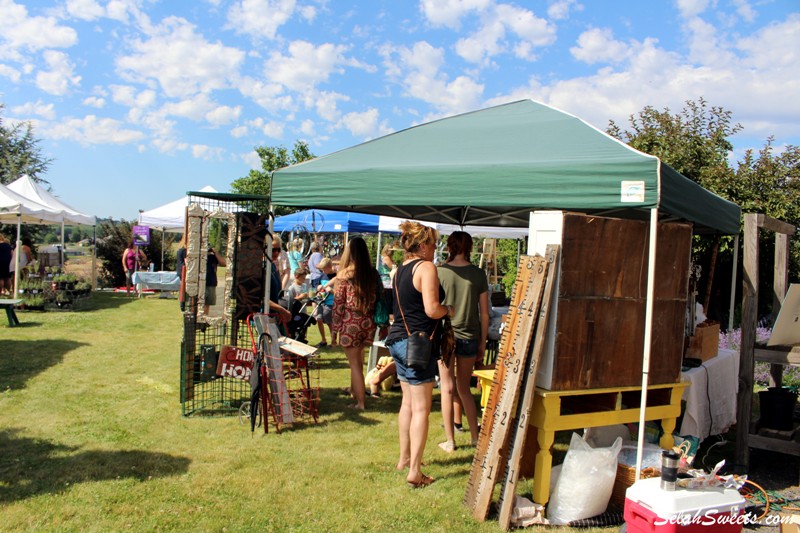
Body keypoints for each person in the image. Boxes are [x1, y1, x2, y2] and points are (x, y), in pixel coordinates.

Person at [385, 221, 453, 488]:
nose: (436, 248)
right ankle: (414, 471)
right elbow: (432, 309)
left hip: (397, 339)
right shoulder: (426, 267)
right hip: (418, 344)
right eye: (434, 243)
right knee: (422, 409)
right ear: (423, 244)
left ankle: (404, 458)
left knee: (407, 405)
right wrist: (450, 309)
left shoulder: (400, 269)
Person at [436, 231, 489, 452]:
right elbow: (484, 313)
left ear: (449, 246)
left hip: (445, 335)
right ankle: (475, 437)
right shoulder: (478, 274)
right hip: (470, 335)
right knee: (464, 388)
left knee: (447, 389)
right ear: (469, 247)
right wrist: (483, 342)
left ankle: (450, 441)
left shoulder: (439, 272)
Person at [329, 236, 381, 411]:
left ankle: (360, 402)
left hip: (351, 321)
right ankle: (355, 391)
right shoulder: (372, 273)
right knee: (359, 361)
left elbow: (338, 304)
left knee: (355, 365)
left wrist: (334, 330)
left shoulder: (344, 275)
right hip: (368, 322)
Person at [267, 238, 293, 325]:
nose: (276, 253)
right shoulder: (263, 268)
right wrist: (282, 310)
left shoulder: (273, 266)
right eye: (273, 250)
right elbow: (262, 299)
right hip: (265, 315)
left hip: (274, 315)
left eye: (279, 250)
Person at [313, 257, 337, 348]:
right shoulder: (322, 276)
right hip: (321, 301)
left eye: (324, 269)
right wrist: (318, 287)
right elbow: (318, 287)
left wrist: (331, 290)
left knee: (329, 322)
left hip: (331, 303)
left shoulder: (336, 276)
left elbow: (339, 292)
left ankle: (334, 341)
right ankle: (323, 340)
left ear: (329, 267)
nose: (322, 271)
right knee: (318, 319)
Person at [203, 245, 226, 315]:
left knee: (208, 303)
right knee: (199, 304)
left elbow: (223, 263)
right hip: (201, 283)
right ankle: (198, 319)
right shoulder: (200, 257)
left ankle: (205, 318)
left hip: (211, 283)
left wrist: (215, 252)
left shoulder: (212, 257)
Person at [176, 235, 187, 311]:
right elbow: (186, 261)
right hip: (183, 271)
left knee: (182, 288)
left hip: (180, 270)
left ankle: (182, 304)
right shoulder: (184, 251)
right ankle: (182, 304)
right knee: (184, 288)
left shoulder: (180, 249)